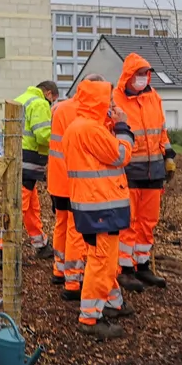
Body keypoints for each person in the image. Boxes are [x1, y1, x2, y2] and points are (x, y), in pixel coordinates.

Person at [64, 78, 135, 340]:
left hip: (94, 205)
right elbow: (120, 155)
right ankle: (90, 318)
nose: (112, 104)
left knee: (104, 259)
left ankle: (113, 303)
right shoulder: (90, 129)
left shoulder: (81, 126)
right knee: (102, 262)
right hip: (101, 206)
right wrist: (123, 127)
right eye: (109, 100)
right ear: (99, 101)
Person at [113, 53, 177, 292]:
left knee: (148, 221)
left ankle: (142, 264)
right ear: (128, 76)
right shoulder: (115, 99)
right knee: (128, 222)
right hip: (128, 170)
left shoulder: (154, 97)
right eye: (138, 74)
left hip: (153, 170)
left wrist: (169, 156)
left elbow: (161, 131)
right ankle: (125, 268)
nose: (142, 79)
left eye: (144, 74)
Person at [48, 74, 106, 300]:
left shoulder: (60, 108)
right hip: (76, 179)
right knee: (75, 229)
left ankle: (59, 268)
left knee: (61, 223)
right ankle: (73, 280)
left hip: (57, 178)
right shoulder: (88, 112)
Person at [13, 80, 60, 257]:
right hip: (30, 160)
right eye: (53, 100)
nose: (52, 104)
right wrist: (60, 140)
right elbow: (43, 135)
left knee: (31, 206)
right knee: (19, 206)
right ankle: (3, 249)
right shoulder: (40, 103)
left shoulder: (20, 99)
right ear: (48, 93)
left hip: (18, 157)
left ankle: (40, 244)